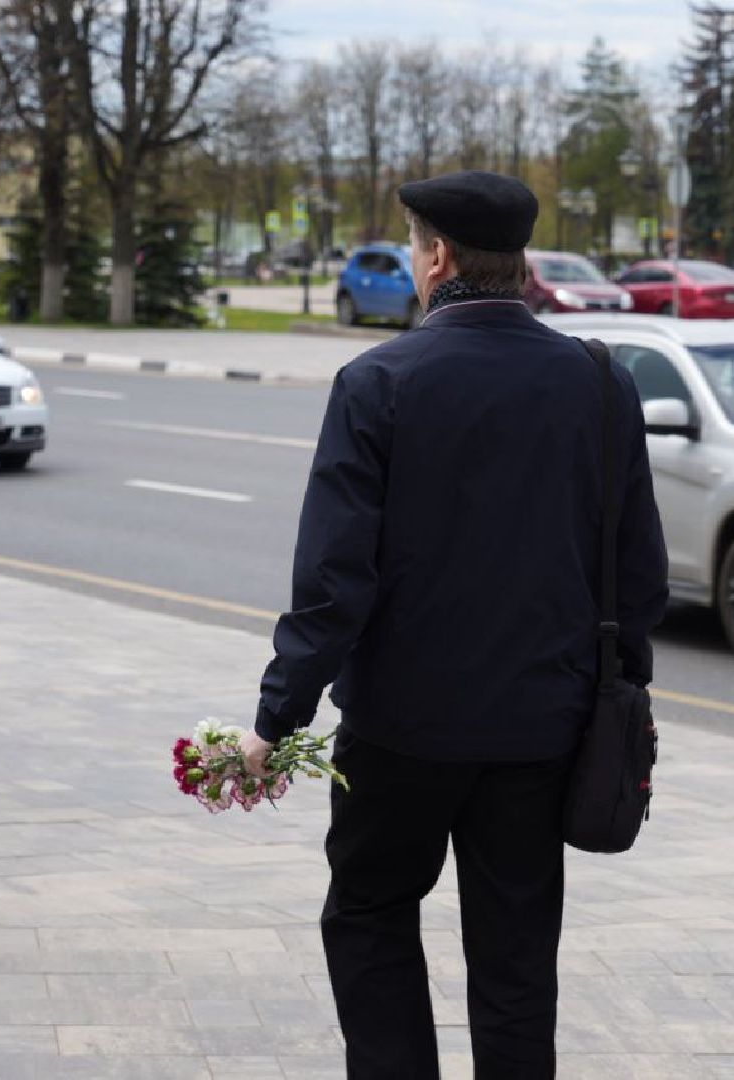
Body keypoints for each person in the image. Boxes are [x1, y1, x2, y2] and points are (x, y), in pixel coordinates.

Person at [239, 170, 668, 1079]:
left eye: (412, 245)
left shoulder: (378, 381)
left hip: (400, 732)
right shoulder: (599, 383)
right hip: (541, 734)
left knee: (370, 915)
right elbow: (639, 573)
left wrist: (277, 718)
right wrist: (616, 695)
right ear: (518, 262)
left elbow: (333, 582)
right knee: (517, 959)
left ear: (435, 258)